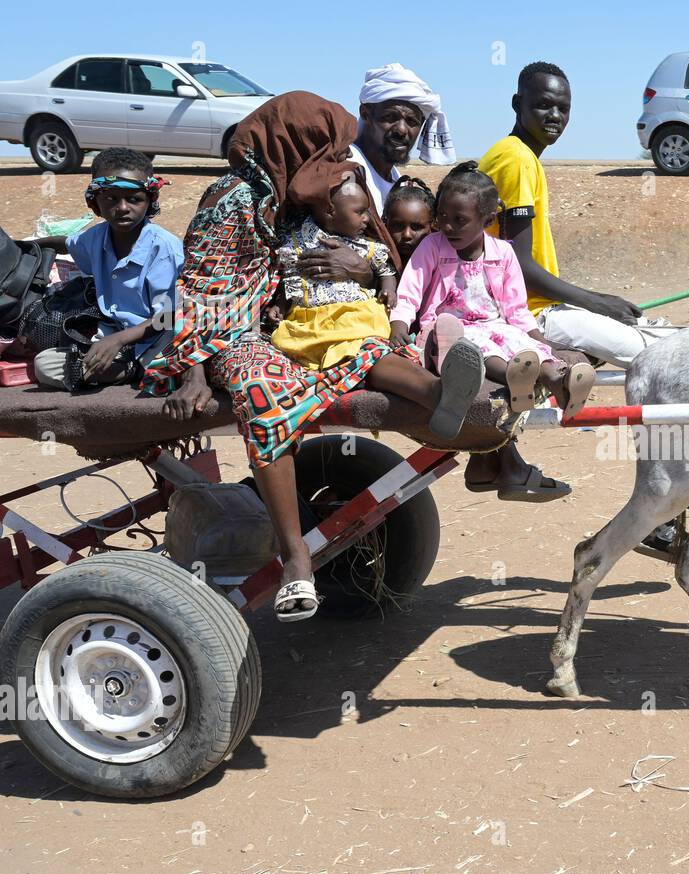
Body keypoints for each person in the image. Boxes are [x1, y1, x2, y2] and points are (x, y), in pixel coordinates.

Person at [142, 92, 484, 623]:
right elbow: (199, 288)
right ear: (296, 143)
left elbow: (366, 248)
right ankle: (296, 555)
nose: (336, 157)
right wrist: (192, 372)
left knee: (367, 348)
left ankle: (449, 403)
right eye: (327, 145)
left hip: (288, 326)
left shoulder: (295, 194)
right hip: (226, 333)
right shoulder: (232, 195)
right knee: (265, 392)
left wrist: (369, 274)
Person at [479, 62, 675, 369]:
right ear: (518, 104)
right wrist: (597, 302)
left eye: (563, 108)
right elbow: (519, 266)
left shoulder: (519, 154)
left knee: (656, 332)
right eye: (543, 105)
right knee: (662, 352)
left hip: (539, 307)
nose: (555, 117)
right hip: (530, 313)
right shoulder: (516, 159)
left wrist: (596, 304)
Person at [391, 163, 595, 436]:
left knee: (518, 340)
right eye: (442, 216)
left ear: (487, 221)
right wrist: (399, 324)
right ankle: (514, 374)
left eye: (459, 220)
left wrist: (540, 341)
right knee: (478, 349)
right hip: (449, 330)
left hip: (495, 324)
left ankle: (555, 377)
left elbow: (516, 309)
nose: (448, 226)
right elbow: (409, 292)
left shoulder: (503, 253)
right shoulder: (432, 247)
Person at [291, 64, 453, 297]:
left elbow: (363, 263)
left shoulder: (396, 179)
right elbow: (325, 254)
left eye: (412, 122)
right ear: (366, 114)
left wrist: (366, 271)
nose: (401, 130)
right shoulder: (347, 169)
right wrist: (367, 273)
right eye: (391, 118)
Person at [31, 148, 182, 389]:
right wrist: (26, 246)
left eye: (134, 199)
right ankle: (120, 365)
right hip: (112, 332)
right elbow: (66, 243)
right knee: (44, 348)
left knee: (46, 366)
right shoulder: (95, 238)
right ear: (95, 203)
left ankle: (135, 369)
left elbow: (168, 317)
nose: (122, 207)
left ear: (149, 201)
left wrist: (118, 341)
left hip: (155, 339)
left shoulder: (162, 249)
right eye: (111, 199)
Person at [266, 175, 399, 372]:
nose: (367, 218)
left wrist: (389, 290)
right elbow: (293, 280)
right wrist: (281, 304)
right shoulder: (297, 244)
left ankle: (346, 366)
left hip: (354, 315)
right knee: (294, 342)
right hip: (310, 320)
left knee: (359, 342)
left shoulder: (365, 245)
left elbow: (385, 270)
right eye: (360, 212)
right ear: (330, 210)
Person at [383, 175, 437, 267]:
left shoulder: (442, 261)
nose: (406, 235)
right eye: (398, 226)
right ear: (385, 223)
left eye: (416, 227)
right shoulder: (376, 259)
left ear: (431, 225)